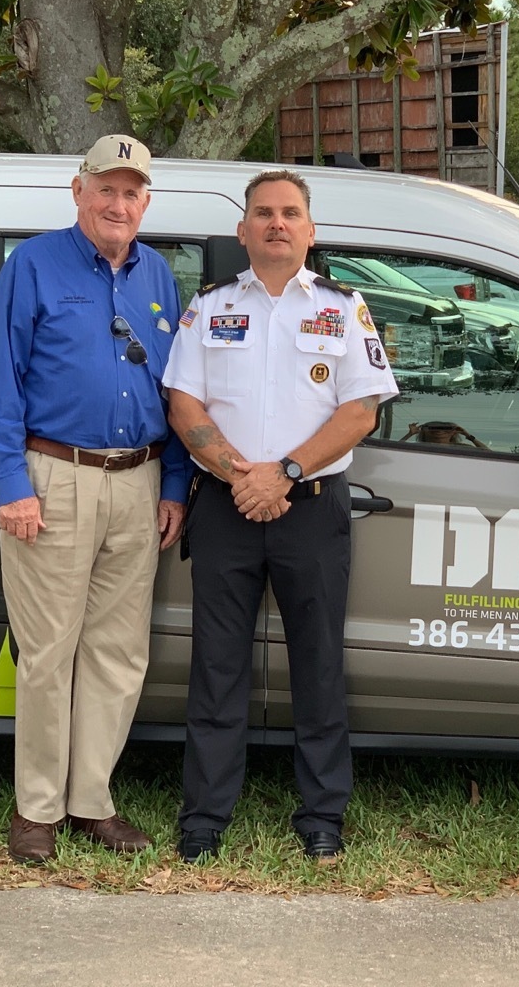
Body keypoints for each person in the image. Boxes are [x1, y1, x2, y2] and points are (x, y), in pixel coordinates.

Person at [162, 169, 397, 863]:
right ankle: (204, 816)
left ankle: (322, 813)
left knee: (320, 667)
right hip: (228, 510)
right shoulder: (208, 309)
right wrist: (244, 477)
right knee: (217, 668)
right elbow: (183, 405)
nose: (276, 223)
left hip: (311, 509)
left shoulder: (343, 308)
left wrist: (284, 474)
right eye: (263, 213)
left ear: (309, 230)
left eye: (290, 213)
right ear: (243, 230)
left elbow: (361, 410)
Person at [0, 133, 189, 865]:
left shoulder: (159, 275)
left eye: (132, 192)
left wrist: (174, 484)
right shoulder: (31, 266)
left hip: (139, 482)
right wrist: (12, 486)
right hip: (53, 479)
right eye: (106, 188)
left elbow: (178, 390)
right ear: (79, 191)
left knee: (117, 653)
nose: (118, 203)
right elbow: (0, 384)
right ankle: (36, 809)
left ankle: (91, 801)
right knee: (47, 653)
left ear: (146, 202)